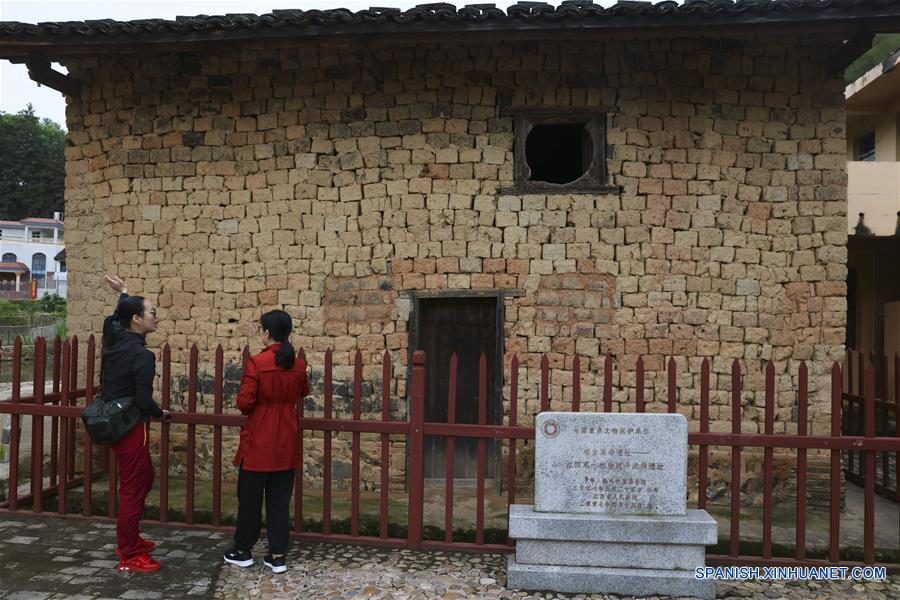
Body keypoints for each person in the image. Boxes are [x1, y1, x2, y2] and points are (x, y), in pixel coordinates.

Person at [224, 310, 309, 574]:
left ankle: (243, 550)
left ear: (267, 332)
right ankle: (278, 555)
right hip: (287, 437)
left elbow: (244, 402)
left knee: (250, 498)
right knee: (280, 501)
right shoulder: (298, 364)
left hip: (260, 437)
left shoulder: (257, 362)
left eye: (261, 328)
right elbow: (303, 391)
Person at [102, 275, 171, 573]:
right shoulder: (142, 356)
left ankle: (130, 537)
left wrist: (124, 293)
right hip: (130, 426)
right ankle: (128, 553)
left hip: (115, 422)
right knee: (132, 488)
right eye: (152, 312)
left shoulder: (114, 337)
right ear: (137, 319)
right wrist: (160, 413)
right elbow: (143, 399)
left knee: (145, 477)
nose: (156, 316)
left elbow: (115, 320)